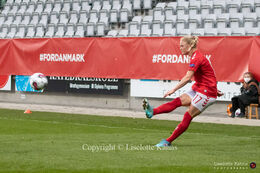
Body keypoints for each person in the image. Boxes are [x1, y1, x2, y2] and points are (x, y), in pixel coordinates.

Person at [143, 35, 223, 147]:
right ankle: (152, 112)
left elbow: (187, 78)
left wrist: (173, 89)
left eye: (182, 46)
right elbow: (209, 73)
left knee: (188, 115)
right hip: (200, 87)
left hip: (206, 93)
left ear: (190, 46)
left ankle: (167, 141)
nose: (180, 48)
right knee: (177, 102)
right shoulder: (195, 56)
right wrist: (215, 87)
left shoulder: (196, 58)